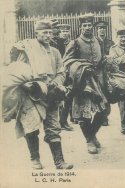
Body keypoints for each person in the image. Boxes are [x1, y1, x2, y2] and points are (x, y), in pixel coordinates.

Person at [3, 19, 73, 169]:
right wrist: (26, 85)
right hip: (31, 95)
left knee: (54, 127)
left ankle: (59, 162)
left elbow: (62, 72)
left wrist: (55, 83)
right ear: (36, 33)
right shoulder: (27, 50)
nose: (48, 35)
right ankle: (35, 159)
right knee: (32, 126)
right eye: (44, 32)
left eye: (50, 32)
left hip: (51, 94)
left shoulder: (55, 52)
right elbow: (17, 71)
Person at [63, 13, 108, 154]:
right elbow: (67, 62)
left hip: (98, 81)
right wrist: (81, 66)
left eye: (89, 25)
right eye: (85, 26)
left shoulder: (98, 41)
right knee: (84, 114)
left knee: (104, 111)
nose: (87, 28)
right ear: (80, 27)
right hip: (82, 82)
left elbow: (102, 58)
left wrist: (106, 61)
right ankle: (89, 140)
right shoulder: (75, 43)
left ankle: (92, 134)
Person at [54, 23, 74, 131]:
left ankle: (63, 121)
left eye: (67, 31)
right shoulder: (56, 44)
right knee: (58, 97)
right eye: (63, 31)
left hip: (69, 72)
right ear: (59, 32)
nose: (65, 33)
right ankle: (58, 122)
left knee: (68, 96)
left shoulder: (72, 43)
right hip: (59, 73)